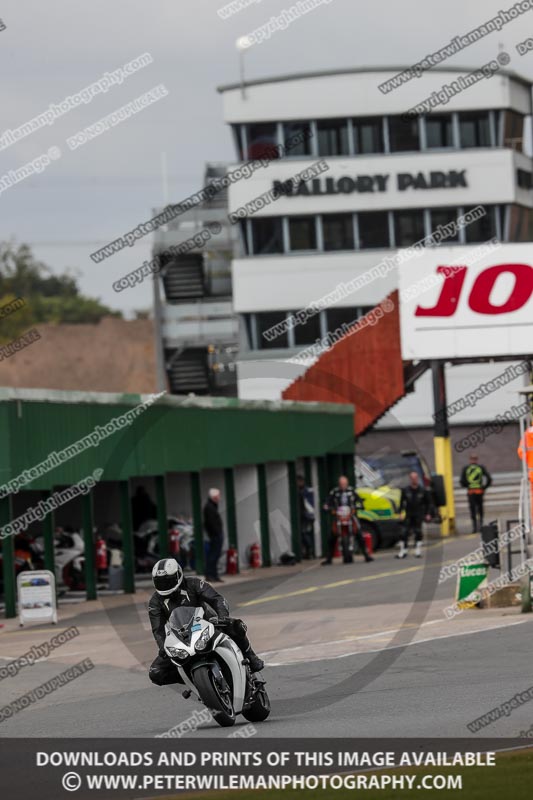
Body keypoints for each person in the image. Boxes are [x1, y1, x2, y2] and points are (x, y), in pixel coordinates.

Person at [148, 558, 264, 686]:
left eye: (168, 581)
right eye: (160, 582)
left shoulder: (194, 584)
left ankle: (251, 656)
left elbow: (217, 599)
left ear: (178, 575)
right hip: (181, 637)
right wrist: (163, 646)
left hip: (208, 624)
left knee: (236, 626)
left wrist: (222, 617)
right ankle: (193, 681)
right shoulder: (155, 601)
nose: (164, 585)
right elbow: (157, 628)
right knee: (155, 672)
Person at [322, 475, 374, 565]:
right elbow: (327, 501)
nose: (343, 486)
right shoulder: (334, 492)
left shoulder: (352, 491)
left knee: (359, 533)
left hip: (350, 515)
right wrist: (327, 507)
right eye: (341, 484)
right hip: (339, 516)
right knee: (332, 536)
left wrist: (359, 506)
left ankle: (366, 555)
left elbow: (359, 500)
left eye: (344, 484)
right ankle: (329, 558)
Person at [397, 471, 432, 559]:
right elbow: (401, 502)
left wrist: (428, 513)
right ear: (410, 479)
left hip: (418, 514)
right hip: (408, 513)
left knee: (418, 532)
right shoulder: (405, 490)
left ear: (418, 479)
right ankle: (403, 550)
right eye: (412, 478)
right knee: (404, 532)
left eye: (415, 478)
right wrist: (400, 512)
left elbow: (428, 503)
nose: (414, 480)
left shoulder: (423, 490)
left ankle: (417, 550)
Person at [460, 454, 492, 533]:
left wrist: (468, 486)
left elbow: (461, 481)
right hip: (479, 491)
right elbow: (489, 479)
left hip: (471, 492)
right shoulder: (480, 468)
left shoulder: (466, 468)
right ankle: (480, 525)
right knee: (479, 509)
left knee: (473, 509)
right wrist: (484, 487)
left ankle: (475, 527)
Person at [203, 488, 224, 583]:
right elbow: (211, 523)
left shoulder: (213, 506)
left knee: (216, 555)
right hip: (215, 535)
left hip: (216, 534)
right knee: (213, 555)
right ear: (214, 497)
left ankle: (214, 575)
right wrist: (216, 532)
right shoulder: (209, 507)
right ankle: (210, 574)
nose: (220, 498)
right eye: (218, 496)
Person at [296, 474, 315, 559]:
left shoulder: (306, 491)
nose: (298, 483)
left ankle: (309, 551)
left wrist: (309, 514)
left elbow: (308, 505)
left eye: (299, 481)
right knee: (302, 533)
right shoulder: (301, 491)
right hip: (303, 515)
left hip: (307, 516)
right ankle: (306, 551)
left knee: (305, 533)